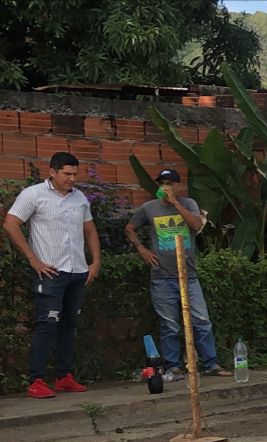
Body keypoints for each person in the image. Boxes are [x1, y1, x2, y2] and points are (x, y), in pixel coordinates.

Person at [3, 152, 101, 399]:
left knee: (69, 324)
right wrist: (33, 259)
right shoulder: (33, 195)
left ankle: (64, 376)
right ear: (53, 172)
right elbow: (10, 223)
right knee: (47, 324)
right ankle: (36, 380)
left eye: (75, 174)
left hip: (78, 271)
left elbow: (89, 230)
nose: (72, 179)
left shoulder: (79, 198)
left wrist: (95, 262)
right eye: (67, 174)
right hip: (51, 272)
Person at [124, 168, 231, 381]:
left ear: (179, 186)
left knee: (201, 320)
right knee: (169, 324)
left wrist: (175, 203)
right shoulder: (148, 208)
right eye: (163, 183)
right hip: (162, 277)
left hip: (189, 276)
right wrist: (142, 249)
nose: (167, 187)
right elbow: (129, 228)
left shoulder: (188, 204)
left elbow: (195, 224)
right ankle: (173, 366)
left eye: (171, 183)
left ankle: (210, 363)